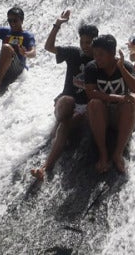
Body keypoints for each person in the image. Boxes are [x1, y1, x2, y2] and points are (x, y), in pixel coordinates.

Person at [30, 10, 98, 181]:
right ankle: (58, 127)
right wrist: (57, 25)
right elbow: (48, 47)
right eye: (82, 42)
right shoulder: (74, 53)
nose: (84, 46)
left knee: (65, 126)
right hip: (66, 103)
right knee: (67, 101)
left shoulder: (101, 60)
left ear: (96, 41)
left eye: (88, 42)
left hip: (84, 109)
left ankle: (45, 168)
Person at [84, 35, 135, 174]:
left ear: (112, 53)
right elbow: (90, 93)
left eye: (101, 55)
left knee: (130, 103)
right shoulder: (91, 67)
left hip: (119, 116)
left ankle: (118, 154)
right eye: (95, 54)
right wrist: (117, 97)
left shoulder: (125, 65)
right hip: (101, 116)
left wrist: (121, 68)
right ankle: (103, 154)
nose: (97, 58)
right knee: (94, 103)